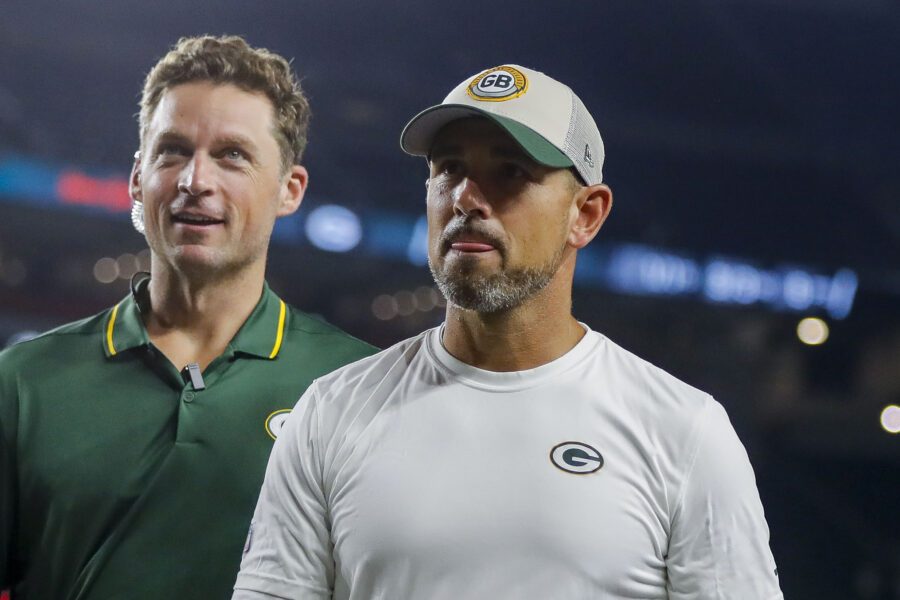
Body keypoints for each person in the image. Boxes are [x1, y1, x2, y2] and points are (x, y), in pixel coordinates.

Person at [232, 65, 783, 599]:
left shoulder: (684, 433)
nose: (467, 198)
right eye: (448, 168)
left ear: (585, 215)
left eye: (510, 173)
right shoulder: (331, 412)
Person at [0, 35, 375, 599]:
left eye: (233, 155)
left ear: (289, 190)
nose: (194, 180)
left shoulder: (359, 385)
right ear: (137, 177)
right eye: (172, 150)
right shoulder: (22, 382)